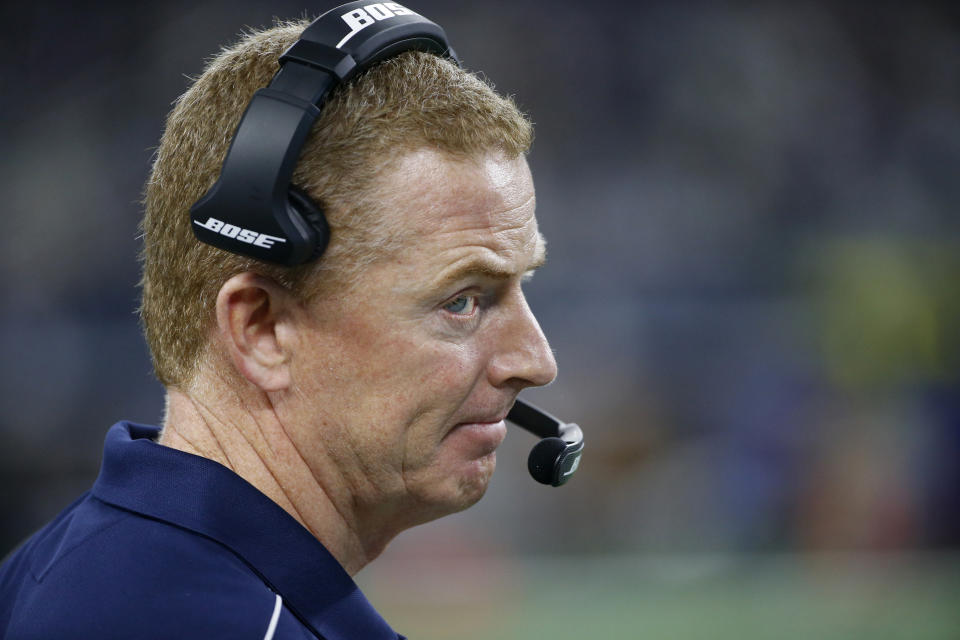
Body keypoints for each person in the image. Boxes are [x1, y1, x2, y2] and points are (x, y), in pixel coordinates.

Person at [0, 6, 559, 640]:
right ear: (261, 330)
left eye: (522, 287)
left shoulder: (91, 571)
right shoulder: (186, 622)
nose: (536, 360)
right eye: (463, 300)